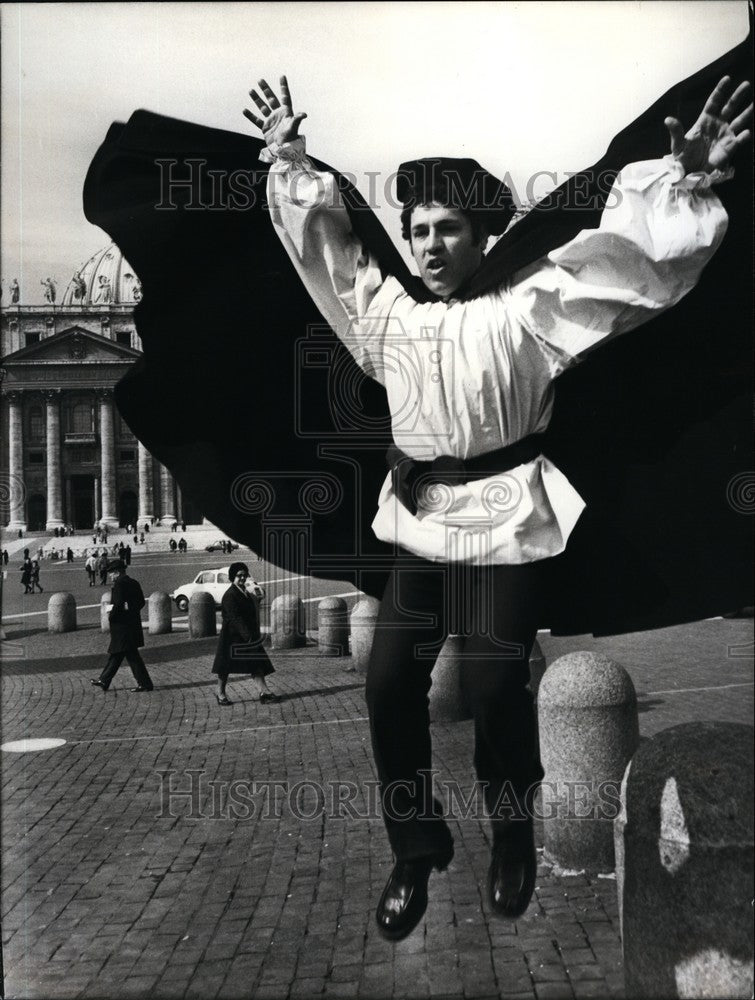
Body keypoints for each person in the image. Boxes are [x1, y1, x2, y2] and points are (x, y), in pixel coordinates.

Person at [244, 73, 752, 941]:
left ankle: (512, 831)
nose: (429, 245)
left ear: (480, 235)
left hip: (509, 522)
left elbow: (625, 262)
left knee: (491, 684)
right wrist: (289, 165)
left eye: (447, 228)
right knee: (385, 680)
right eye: (416, 231)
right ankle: (415, 846)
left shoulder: (532, 310)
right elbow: (330, 257)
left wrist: (682, 181)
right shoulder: (385, 317)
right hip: (420, 521)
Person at [212, 561, 278, 706]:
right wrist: (248, 635)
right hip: (233, 637)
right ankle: (220, 693)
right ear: (232, 577)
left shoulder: (245, 592)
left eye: (244, 575)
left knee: (256, 663)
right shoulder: (230, 595)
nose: (242, 578)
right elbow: (234, 618)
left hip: (246, 635)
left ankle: (264, 692)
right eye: (239, 575)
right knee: (225, 667)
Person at [91, 560, 153, 692]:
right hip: (132, 624)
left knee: (122, 654)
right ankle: (105, 680)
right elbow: (141, 602)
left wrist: (111, 615)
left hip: (121, 627)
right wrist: (130, 610)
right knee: (123, 654)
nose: (110, 576)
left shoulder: (119, 584)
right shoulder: (134, 583)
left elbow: (118, 605)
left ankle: (145, 683)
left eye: (111, 574)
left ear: (117, 572)